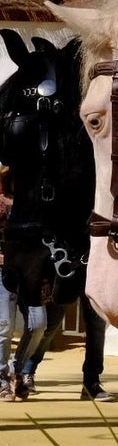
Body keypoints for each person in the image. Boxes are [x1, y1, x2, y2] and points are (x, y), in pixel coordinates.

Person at [15, 298, 115, 402]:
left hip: (92, 282)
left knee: (97, 323)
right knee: (51, 323)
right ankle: (27, 370)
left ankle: (91, 383)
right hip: (64, 281)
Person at [0, 165, 14, 401]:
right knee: (4, 325)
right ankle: (2, 378)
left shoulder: (26, 200)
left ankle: (20, 369)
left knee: (40, 324)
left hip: (24, 267)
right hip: (3, 267)